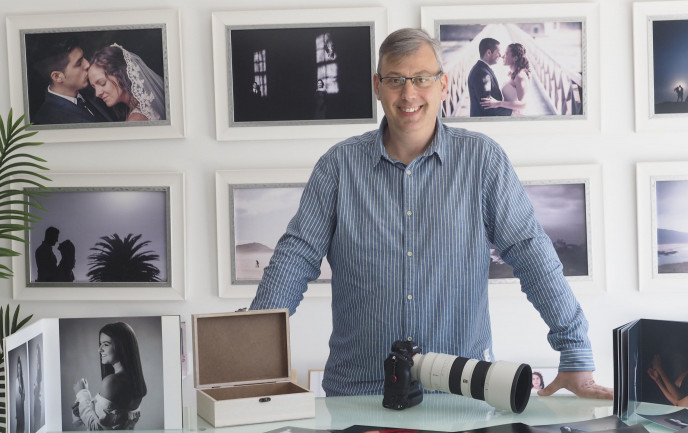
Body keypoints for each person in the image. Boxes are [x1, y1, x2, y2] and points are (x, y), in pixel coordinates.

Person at [248, 28, 610, 400]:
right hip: (359, 396)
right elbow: (294, 259)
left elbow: (532, 254)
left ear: (442, 84)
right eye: (395, 80)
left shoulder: (482, 160)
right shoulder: (337, 168)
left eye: (422, 79)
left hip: (463, 396)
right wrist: (248, 355)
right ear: (377, 86)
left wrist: (576, 351)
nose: (409, 94)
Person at [72, 321, 147, 430]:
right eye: (100, 344)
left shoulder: (112, 382)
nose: (99, 349)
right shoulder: (135, 382)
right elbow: (110, 423)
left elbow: (96, 429)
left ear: (122, 347)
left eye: (106, 344)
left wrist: (82, 393)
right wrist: (85, 408)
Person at [30, 38, 113, 125]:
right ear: (57, 77)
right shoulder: (46, 121)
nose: (87, 64)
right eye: (79, 63)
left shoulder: (94, 89)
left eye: (83, 58)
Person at [87, 44, 166, 122]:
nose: (97, 93)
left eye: (102, 83)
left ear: (120, 74)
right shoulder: (146, 109)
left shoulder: (135, 119)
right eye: (94, 87)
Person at [481, 43, 531, 116]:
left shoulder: (520, 76)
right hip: (507, 114)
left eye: (506, 54)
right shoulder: (513, 73)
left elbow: (523, 104)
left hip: (515, 117)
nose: (502, 56)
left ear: (515, 58)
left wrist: (498, 103)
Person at [467, 38, 511, 117]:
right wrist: (511, 112)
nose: (501, 55)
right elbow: (487, 106)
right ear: (488, 52)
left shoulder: (481, 69)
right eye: (498, 52)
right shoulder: (482, 73)